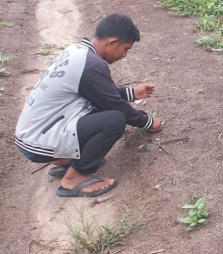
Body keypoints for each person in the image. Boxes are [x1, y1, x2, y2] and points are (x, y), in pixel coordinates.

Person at [15, 13, 163, 198]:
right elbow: (114, 105)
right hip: (38, 142)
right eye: (125, 49)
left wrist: (132, 93)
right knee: (115, 119)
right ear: (111, 42)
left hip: (31, 136)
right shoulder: (91, 64)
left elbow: (98, 93)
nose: (125, 55)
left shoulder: (77, 52)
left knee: (101, 108)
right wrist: (148, 122)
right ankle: (75, 177)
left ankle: (66, 160)